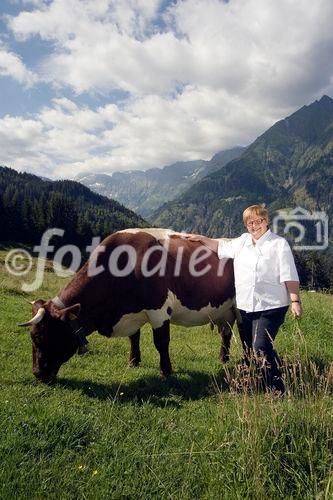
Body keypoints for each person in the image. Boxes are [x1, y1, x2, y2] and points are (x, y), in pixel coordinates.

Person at [184, 204, 302, 395]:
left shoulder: (279, 244)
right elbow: (220, 246)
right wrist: (201, 239)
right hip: (246, 306)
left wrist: (295, 301)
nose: (254, 225)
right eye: (250, 222)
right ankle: (276, 372)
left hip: (272, 305)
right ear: (246, 225)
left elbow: (289, 274)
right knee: (256, 346)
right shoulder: (242, 241)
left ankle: (276, 390)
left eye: (259, 221)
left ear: (266, 221)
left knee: (260, 345)